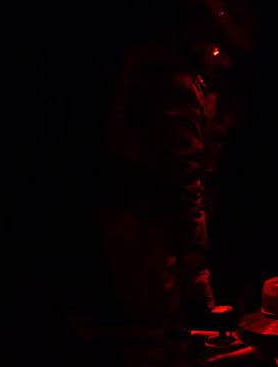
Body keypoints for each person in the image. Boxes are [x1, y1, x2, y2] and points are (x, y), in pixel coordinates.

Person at [103, 0, 253, 327]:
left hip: (151, 227)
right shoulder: (173, 83)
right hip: (149, 232)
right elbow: (181, 177)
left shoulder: (167, 72)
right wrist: (196, 263)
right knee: (160, 331)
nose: (224, 61)